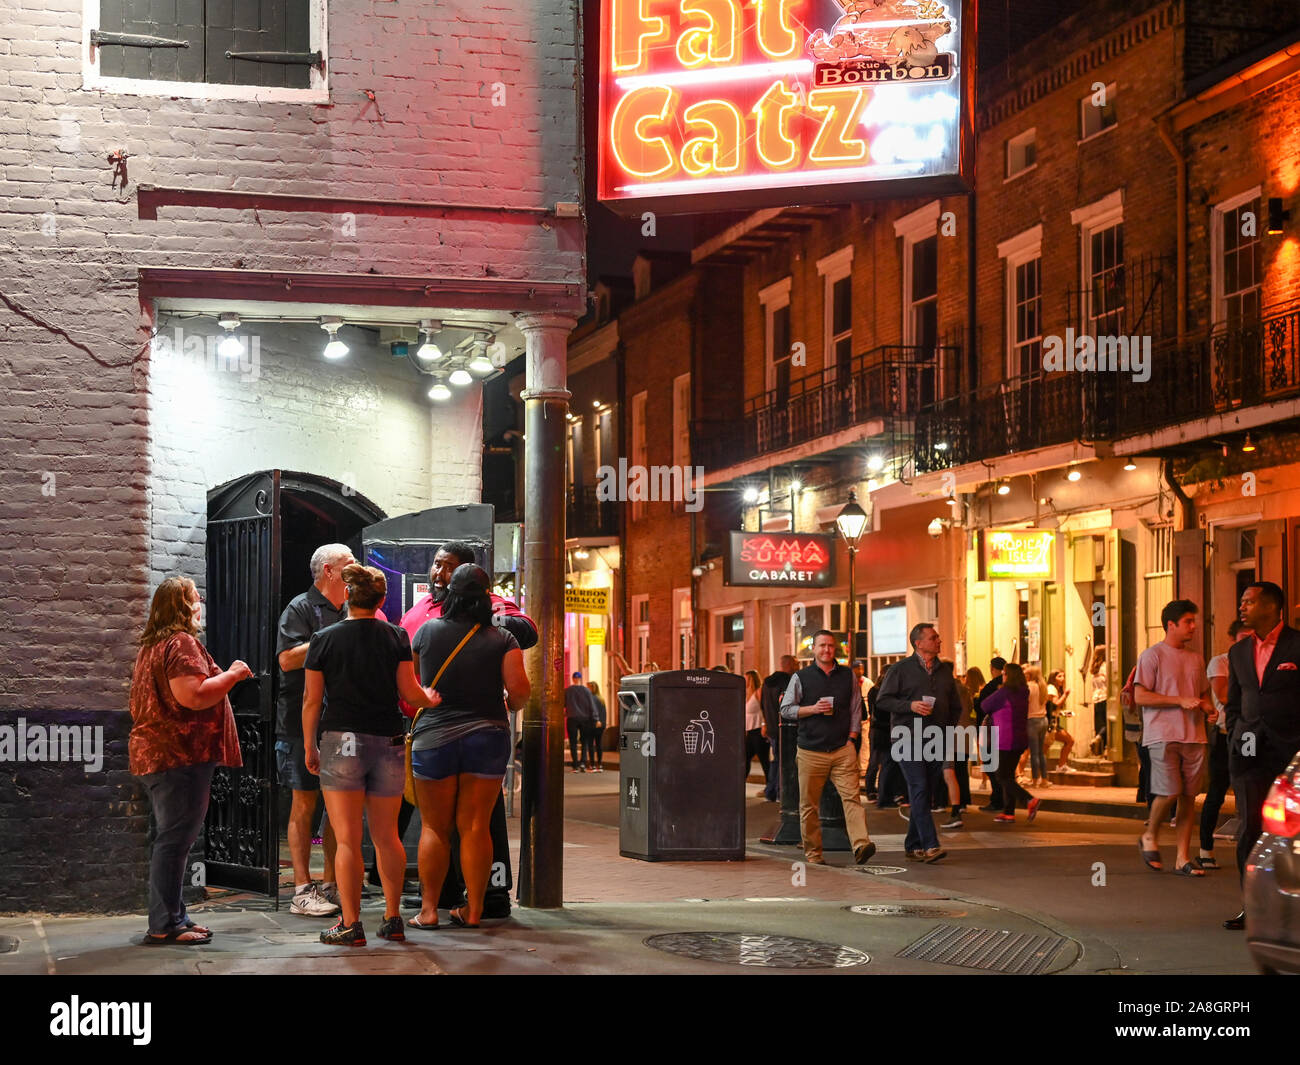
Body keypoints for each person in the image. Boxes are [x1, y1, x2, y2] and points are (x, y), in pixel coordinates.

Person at [396, 540, 537, 918]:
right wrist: (505, 705)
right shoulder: (502, 638)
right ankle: (472, 911)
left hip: (434, 739)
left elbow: (407, 687)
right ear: (485, 597)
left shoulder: (425, 633)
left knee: (435, 828)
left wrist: (426, 702)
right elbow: (521, 692)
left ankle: (428, 911)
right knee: (476, 826)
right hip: (487, 737)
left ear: (452, 595)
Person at [302, 564, 440, 946]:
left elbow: (312, 700)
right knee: (387, 835)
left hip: (340, 741)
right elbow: (410, 694)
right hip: (388, 740)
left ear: (347, 596)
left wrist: (309, 745)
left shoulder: (323, 639)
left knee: (346, 839)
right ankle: (393, 918)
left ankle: (350, 924)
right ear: (380, 601)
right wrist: (429, 696)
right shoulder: (396, 637)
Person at [130, 577, 249, 945]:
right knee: (174, 841)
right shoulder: (180, 643)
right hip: (179, 756)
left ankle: (174, 917)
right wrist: (232, 675)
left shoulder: (153, 645)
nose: (200, 604)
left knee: (172, 839)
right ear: (182, 606)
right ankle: (164, 925)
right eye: (195, 598)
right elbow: (193, 696)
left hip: (166, 756)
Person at [276, 543, 355, 918]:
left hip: (341, 724)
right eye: (349, 563)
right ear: (329, 571)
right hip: (299, 724)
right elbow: (287, 659)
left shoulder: (351, 610)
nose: (355, 568)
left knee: (337, 808)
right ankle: (301, 889)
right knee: (304, 804)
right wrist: (332, 640)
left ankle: (331, 883)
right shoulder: (301, 608)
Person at [1224, 581, 1300, 930]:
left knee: (1291, 831)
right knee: (1250, 828)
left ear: (1271, 607)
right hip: (1249, 750)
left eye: (1249, 602)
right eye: (1242, 602)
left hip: (1290, 750)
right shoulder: (1238, 651)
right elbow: (1234, 702)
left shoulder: (1296, 645)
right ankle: (1252, 905)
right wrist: (1236, 733)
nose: (1242, 607)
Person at [778, 631, 876, 866]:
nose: (827, 650)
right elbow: (786, 709)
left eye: (831, 646)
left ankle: (861, 844)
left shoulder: (847, 676)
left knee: (852, 798)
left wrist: (852, 738)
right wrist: (812, 709)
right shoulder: (801, 677)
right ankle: (814, 854)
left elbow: (855, 707)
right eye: (822, 645)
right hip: (811, 750)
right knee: (809, 806)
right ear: (814, 648)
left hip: (842, 749)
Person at [1135, 599, 1216, 878]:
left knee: (1188, 797)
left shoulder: (1196, 658)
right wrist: (1178, 701)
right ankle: (1150, 834)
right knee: (1169, 791)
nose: (1193, 627)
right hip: (1162, 734)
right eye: (1188, 622)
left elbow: (1202, 692)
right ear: (1171, 625)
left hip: (1194, 735)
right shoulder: (1152, 655)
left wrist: (1207, 707)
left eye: (1194, 621)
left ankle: (1182, 858)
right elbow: (1140, 695)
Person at [874, 623, 964, 863]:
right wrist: (910, 706)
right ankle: (930, 845)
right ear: (919, 643)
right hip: (907, 737)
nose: (939, 640)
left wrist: (946, 729)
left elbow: (955, 705)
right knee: (920, 788)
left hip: (936, 739)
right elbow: (883, 700)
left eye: (938, 637)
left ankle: (912, 843)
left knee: (924, 792)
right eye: (933, 637)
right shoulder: (900, 670)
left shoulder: (944, 670)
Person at [1202, 621, 1250, 870]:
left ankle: (1253, 852)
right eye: (1243, 637)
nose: (1247, 642)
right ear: (1232, 639)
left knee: (1251, 790)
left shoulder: (1261, 661)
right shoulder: (1220, 662)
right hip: (1224, 732)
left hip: (1251, 734)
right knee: (1217, 791)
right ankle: (1205, 849)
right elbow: (1222, 695)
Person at [981, 663, 1039, 823]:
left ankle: (1029, 799)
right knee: (1009, 775)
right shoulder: (1023, 691)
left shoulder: (1004, 692)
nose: (1003, 675)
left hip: (1006, 739)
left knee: (1002, 776)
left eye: (1004, 673)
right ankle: (1009, 812)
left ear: (1009, 675)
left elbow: (984, 705)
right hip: (1020, 738)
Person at [865, 662, 904, 806]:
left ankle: (878, 793)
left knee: (880, 763)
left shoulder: (875, 691)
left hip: (880, 730)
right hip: (886, 730)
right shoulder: (884, 693)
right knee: (886, 764)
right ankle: (884, 796)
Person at [760, 655, 797, 802]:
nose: (798, 666)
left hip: (772, 727)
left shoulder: (767, 683)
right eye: (796, 663)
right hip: (785, 728)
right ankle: (780, 791)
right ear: (789, 665)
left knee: (776, 759)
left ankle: (771, 791)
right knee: (785, 761)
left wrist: (767, 724)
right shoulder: (787, 681)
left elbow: (763, 704)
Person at [977, 658, 1006, 811]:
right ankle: (1002, 800)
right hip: (1006, 730)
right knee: (1000, 767)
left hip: (991, 730)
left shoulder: (993, 687)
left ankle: (998, 799)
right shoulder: (1013, 687)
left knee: (991, 765)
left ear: (993, 669)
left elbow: (982, 707)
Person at [1023, 666, 1050, 787]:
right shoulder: (1043, 687)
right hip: (1043, 719)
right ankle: (1044, 780)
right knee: (1041, 752)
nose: (1024, 677)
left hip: (1032, 720)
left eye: (1026, 675)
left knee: (1034, 753)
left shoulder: (1029, 687)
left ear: (1030, 676)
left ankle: (1034, 780)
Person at [1046, 669, 1076, 773]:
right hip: (1050, 723)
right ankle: (1061, 766)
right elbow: (1055, 704)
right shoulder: (1051, 689)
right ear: (1053, 678)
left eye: (1063, 676)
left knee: (1044, 749)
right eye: (1059, 676)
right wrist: (1066, 695)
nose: (1062, 679)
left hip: (1053, 721)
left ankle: (1060, 766)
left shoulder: (1056, 689)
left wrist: (1064, 713)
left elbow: (1053, 709)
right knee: (1069, 740)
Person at [565, 672, 595, 772]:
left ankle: (575, 765)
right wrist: (595, 718)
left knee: (573, 742)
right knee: (584, 742)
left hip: (572, 718)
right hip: (584, 719)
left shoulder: (568, 691)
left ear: (573, 679)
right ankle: (583, 763)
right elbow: (591, 705)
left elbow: (563, 704)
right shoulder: (586, 691)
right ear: (580, 679)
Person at [1089, 647, 1109, 755]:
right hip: (1105, 697)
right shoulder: (1105, 667)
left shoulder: (1094, 669)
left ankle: (1103, 747)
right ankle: (1099, 738)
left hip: (1096, 699)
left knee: (1102, 723)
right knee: (1109, 724)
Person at [586, 681, 607, 771]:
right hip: (601, 725)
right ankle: (600, 764)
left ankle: (592, 764)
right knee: (599, 744)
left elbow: (590, 712)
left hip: (592, 724)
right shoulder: (601, 699)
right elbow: (604, 713)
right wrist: (602, 722)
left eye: (589, 688)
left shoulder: (591, 699)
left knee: (591, 745)